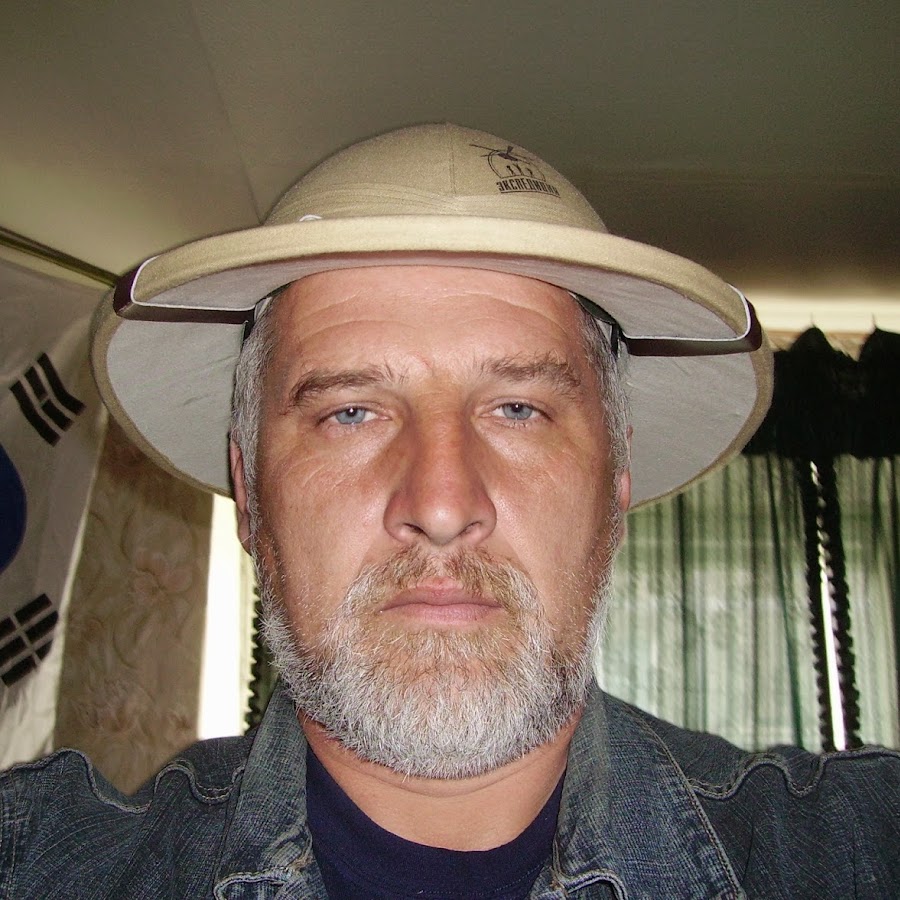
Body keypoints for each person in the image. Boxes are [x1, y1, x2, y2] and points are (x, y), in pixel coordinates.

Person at [1, 123, 897, 899]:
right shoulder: (35, 862)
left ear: (616, 484)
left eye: (518, 409)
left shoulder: (857, 848)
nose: (439, 505)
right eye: (351, 413)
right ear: (251, 493)